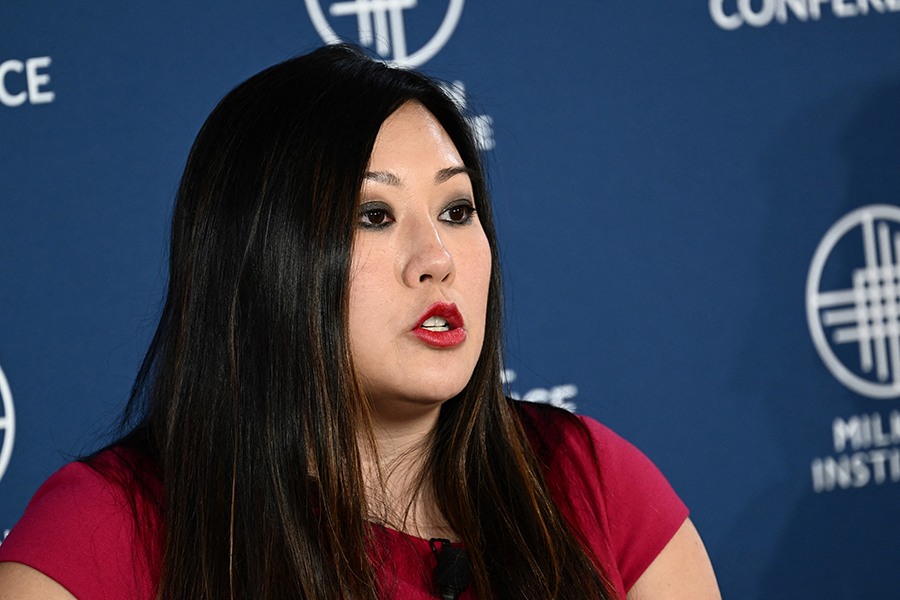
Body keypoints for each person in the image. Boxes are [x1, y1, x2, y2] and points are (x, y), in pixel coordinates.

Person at [0, 44, 721, 600]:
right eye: (374, 216)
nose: (435, 259)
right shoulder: (105, 529)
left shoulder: (590, 478)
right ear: (263, 258)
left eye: (456, 211)